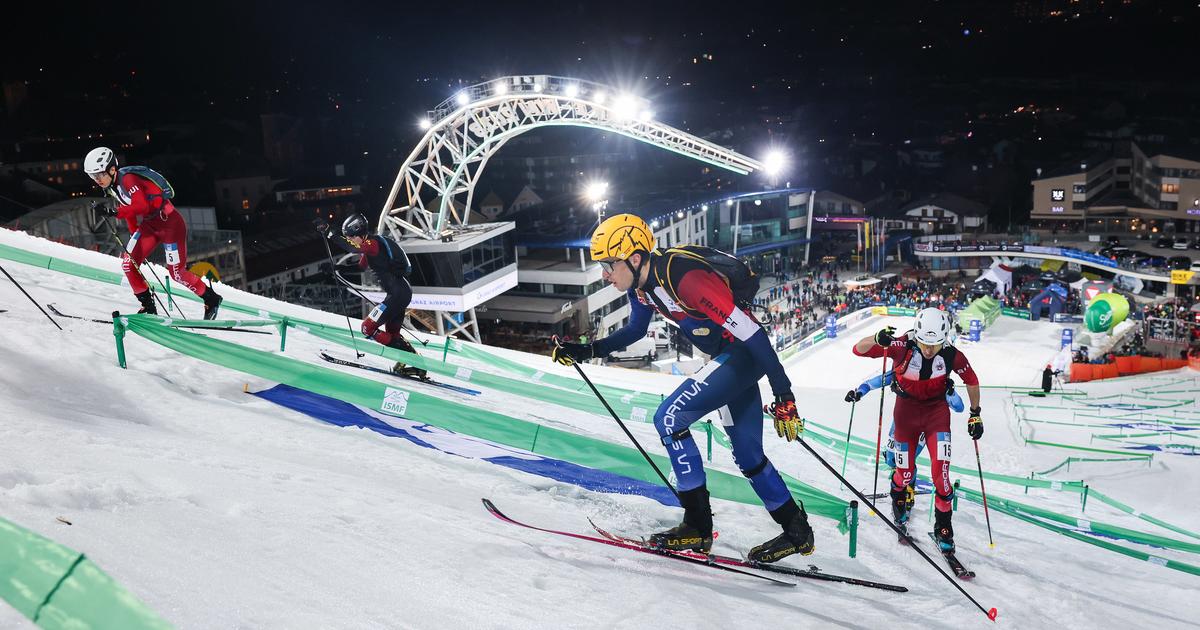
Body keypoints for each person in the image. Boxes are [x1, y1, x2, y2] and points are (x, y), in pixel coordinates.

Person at [550, 214, 813, 563]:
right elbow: (634, 332)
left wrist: (784, 395)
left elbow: (753, 333)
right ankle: (797, 531)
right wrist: (586, 350)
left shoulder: (684, 278)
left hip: (742, 356)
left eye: (608, 264)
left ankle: (697, 526)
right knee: (748, 456)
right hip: (728, 359)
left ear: (635, 258)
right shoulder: (642, 289)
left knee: (670, 417)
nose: (605, 274)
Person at [852, 308, 982, 553]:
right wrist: (875, 337)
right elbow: (858, 349)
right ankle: (899, 503)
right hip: (906, 416)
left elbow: (972, 380)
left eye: (935, 345)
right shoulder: (902, 346)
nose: (929, 350)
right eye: (924, 343)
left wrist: (975, 414)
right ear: (917, 336)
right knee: (904, 472)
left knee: (942, 479)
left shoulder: (952, 355)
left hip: (936, 416)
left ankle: (943, 530)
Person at [84, 146, 222, 319]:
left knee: (176, 273)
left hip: (170, 224)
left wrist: (113, 213)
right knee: (129, 264)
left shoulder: (128, 179)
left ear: (112, 169)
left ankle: (211, 298)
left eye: (99, 174)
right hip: (150, 226)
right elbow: (131, 210)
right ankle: (148, 307)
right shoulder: (113, 186)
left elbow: (142, 206)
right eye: (92, 176)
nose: (97, 180)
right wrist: (136, 239)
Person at [314, 213, 424, 378]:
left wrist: (331, 233)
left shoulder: (372, 244)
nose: (351, 240)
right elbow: (360, 268)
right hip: (400, 293)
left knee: (368, 328)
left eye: (351, 237)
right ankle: (417, 364)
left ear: (359, 234)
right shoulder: (370, 247)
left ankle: (416, 360)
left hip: (398, 295)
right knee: (392, 334)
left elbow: (352, 248)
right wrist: (336, 268)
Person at [844, 371, 964, 469]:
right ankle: (899, 477)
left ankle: (907, 492)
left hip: (924, 424)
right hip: (902, 421)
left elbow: (959, 408)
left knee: (907, 461)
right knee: (891, 460)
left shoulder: (938, 383)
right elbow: (870, 384)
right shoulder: (903, 372)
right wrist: (858, 393)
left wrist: (951, 392)